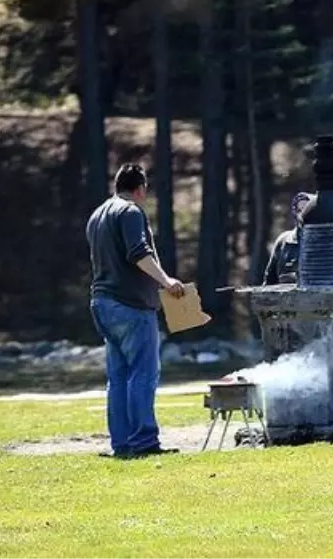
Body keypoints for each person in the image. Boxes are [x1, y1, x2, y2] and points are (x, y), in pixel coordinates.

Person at [86, 163, 185, 459]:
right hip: (130, 305)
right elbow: (138, 253)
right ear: (140, 188)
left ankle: (123, 443)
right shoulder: (130, 212)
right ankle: (144, 441)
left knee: (118, 378)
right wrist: (167, 281)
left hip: (102, 303)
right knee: (143, 374)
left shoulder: (97, 215)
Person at [263, 192, 315, 286]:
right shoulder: (284, 241)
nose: (302, 214)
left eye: (306, 210)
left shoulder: (326, 241)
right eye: (299, 210)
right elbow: (269, 281)